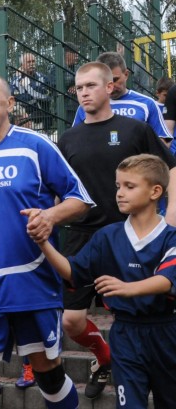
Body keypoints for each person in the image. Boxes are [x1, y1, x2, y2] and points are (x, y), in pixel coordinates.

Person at [0, 74, 93, 409]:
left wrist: (50, 217)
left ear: (10, 104)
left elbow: (81, 200)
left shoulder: (36, 146)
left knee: (48, 373)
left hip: (33, 284)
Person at [57, 61, 176, 399]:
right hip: (83, 235)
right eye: (78, 88)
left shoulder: (134, 128)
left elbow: (171, 169)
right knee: (71, 321)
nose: (83, 93)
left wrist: (172, 219)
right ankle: (103, 357)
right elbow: (58, 189)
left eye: (90, 86)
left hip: (131, 234)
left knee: (148, 305)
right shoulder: (67, 139)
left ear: (109, 87)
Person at [34, 154, 176, 409]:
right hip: (125, 335)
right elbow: (72, 271)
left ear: (155, 191)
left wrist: (127, 288)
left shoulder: (171, 238)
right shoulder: (106, 237)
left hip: (167, 335)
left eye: (129, 186)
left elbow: (167, 280)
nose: (120, 193)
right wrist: (43, 242)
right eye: (118, 186)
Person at [72, 52, 172, 144]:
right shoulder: (86, 106)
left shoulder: (147, 104)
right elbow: (74, 141)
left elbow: (163, 142)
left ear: (126, 74)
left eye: (115, 79)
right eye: (106, 80)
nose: (112, 85)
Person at [11, 52, 53, 133]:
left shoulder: (43, 78)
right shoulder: (15, 81)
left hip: (42, 120)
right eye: (28, 62)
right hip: (24, 122)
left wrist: (27, 87)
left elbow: (47, 96)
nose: (31, 64)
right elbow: (14, 98)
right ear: (22, 65)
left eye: (33, 61)